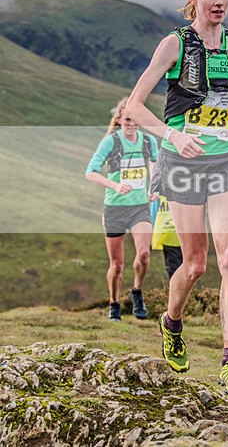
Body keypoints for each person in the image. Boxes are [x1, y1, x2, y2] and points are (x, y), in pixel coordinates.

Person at [126, 0, 228, 396]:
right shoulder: (175, 44)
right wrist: (173, 136)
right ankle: (172, 322)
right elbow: (135, 106)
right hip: (182, 161)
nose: (218, 3)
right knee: (195, 264)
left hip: (226, 161)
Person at [85, 97, 159, 321]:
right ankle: (114, 304)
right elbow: (90, 172)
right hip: (115, 208)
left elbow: (154, 164)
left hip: (139, 207)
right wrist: (115, 185)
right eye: (127, 119)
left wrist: (153, 186)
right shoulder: (111, 142)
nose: (132, 124)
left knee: (144, 254)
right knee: (117, 265)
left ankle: (136, 291)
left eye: (135, 119)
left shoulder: (148, 142)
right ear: (119, 120)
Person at [151, 195, 183, 280]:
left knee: (184, 267)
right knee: (175, 267)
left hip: (174, 233)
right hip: (169, 234)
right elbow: (154, 211)